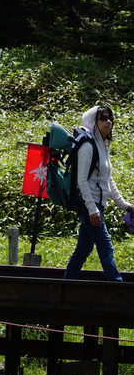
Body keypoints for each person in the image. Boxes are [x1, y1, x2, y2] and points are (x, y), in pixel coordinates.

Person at [64, 105, 132, 282]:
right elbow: (82, 181)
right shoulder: (88, 147)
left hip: (96, 205)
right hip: (90, 205)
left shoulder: (102, 145)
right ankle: (117, 286)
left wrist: (124, 205)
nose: (108, 121)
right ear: (94, 122)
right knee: (106, 247)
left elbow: (107, 180)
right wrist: (92, 209)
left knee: (83, 250)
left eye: (110, 118)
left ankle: (65, 284)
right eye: (103, 118)